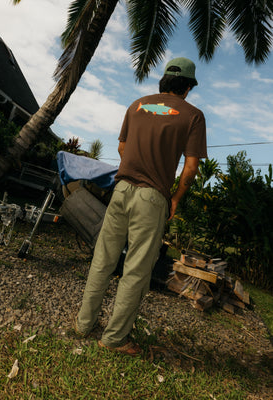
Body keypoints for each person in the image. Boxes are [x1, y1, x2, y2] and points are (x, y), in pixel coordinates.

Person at [75, 57, 207, 356]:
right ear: (187, 87)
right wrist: (175, 198)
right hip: (152, 198)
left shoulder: (136, 105)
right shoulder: (193, 116)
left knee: (103, 259)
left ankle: (84, 324)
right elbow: (190, 168)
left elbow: (122, 147)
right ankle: (114, 339)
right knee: (135, 270)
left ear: (164, 81)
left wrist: (134, 167)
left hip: (121, 189)